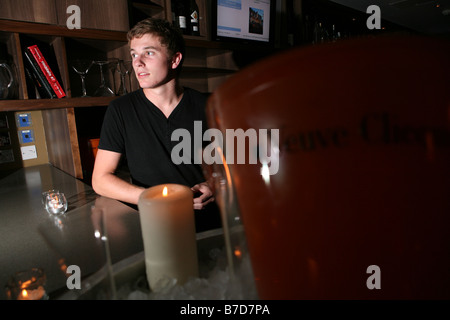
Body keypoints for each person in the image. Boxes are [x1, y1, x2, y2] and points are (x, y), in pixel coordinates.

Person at [92, 18, 221, 232]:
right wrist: (154, 198)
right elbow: (101, 180)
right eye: (134, 54)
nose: (137, 62)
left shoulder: (209, 106)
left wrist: (214, 185)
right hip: (153, 225)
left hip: (209, 223)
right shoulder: (120, 110)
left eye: (148, 53)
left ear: (174, 59)